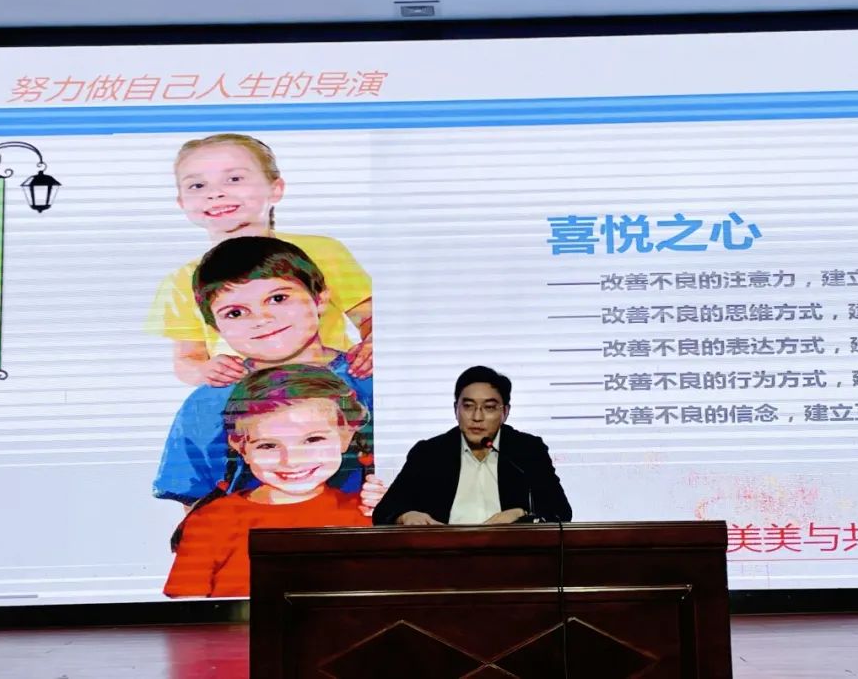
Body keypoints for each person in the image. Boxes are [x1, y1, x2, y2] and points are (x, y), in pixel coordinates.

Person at [152, 235, 382, 510]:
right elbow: (195, 504)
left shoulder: (369, 379)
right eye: (236, 313)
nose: (262, 319)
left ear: (320, 299)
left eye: (278, 298)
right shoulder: (206, 403)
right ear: (215, 327)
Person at [145, 133, 373, 386]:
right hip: (250, 398)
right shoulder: (182, 280)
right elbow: (187, 358)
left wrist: (372, 344)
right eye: (197, 185)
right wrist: (204, 371)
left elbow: (369, 317)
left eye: (234, 179)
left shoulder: (324, 251)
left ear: (275, 188)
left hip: (334, 387)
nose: (215, 193)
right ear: (181, 202)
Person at [164, 365, 371, 598]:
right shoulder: (210, 522)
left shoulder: (365, 514)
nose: (291, 461)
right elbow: (188, 610)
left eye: (313, 440)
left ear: (346, 436)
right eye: (268, 445)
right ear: (240, 446)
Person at [372, 366, 571, 526]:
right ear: (456, 410)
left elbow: (561, 512)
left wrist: (521, 514)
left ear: (505, 412)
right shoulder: (429, 453)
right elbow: (383, 512)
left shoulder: (526, 451)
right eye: (468, 406)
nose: (477, 417)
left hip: (510, 555)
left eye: (489, 407)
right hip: (445, 556)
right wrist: (406, 515)